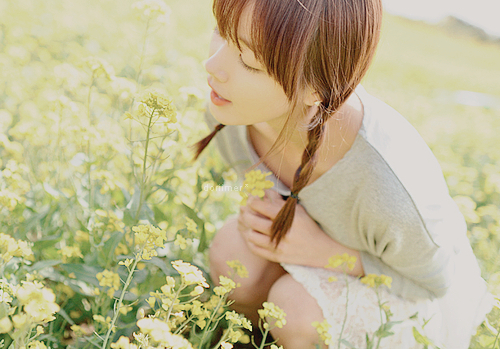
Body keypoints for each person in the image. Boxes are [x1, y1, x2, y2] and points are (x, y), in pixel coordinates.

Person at [192, 0, 494, 348]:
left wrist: (324, 251)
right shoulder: (230, 111)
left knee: (294, 308)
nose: (212, 66)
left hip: (414, 301)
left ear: (315, 90)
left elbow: (436, 283)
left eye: (248, 62)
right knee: (234, 253)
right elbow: (239, 188)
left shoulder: (385, 181)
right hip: (315, 261)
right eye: (220, 31)